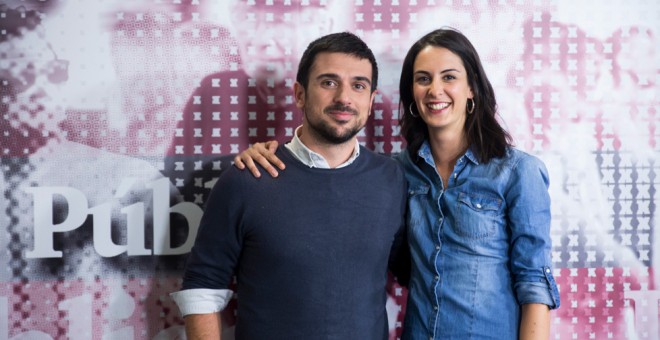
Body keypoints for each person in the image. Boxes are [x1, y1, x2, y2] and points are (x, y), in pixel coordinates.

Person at [234, 28, 561, 339]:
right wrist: (271, 152)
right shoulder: (395, 173)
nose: (435, 90)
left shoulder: (518, 172)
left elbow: (534, 284)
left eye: (449, 77)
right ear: (412, 95)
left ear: (472, 88)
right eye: (423, 79)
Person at [170, 32, 408, 339]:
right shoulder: (247, 178)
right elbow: (202, 287)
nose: (344, 98)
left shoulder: (392, 179)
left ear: (371, 100)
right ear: (299, 94)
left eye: (358, 85)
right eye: (328, 82)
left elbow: (416, 270)